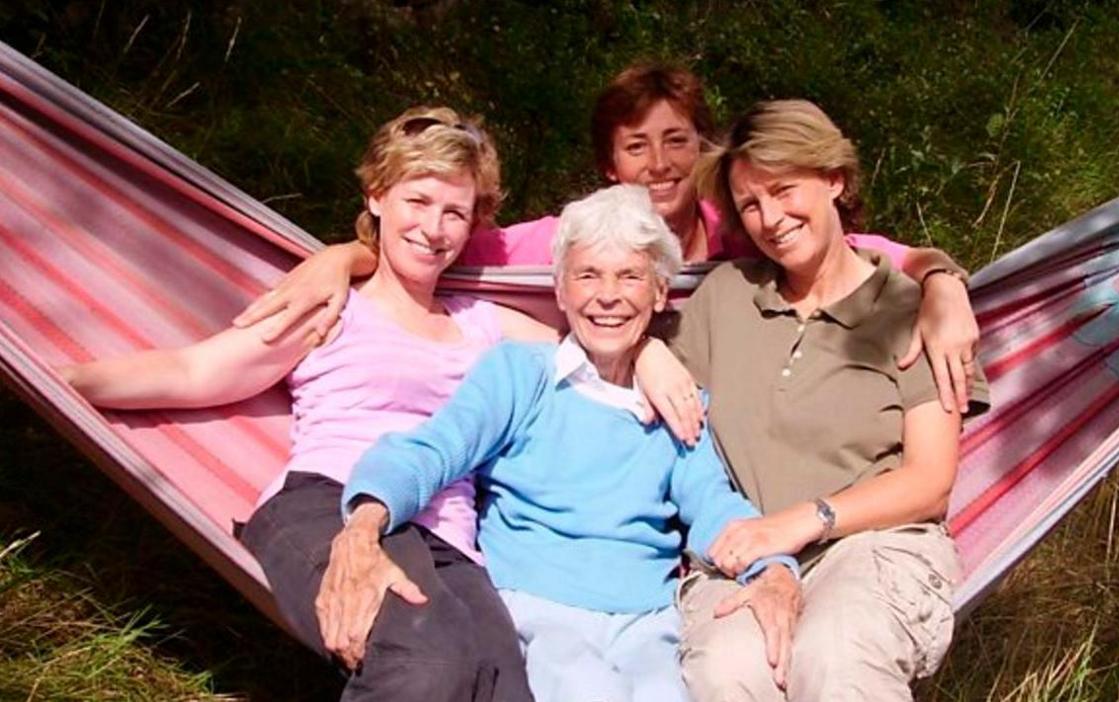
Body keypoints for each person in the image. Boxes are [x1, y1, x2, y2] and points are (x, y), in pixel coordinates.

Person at [58, 107, 691, 702]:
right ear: (376, 198)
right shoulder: (333, 306)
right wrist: (63, 377)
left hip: (451, 540)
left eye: (454, 212)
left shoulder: (487, 326)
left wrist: (653, 355)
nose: (433, 227)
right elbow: (193, 372)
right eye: (417, 200)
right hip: (327, 503)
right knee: (427, 661)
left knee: (502, 684)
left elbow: (594, 337)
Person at [234, 64, 982, 414]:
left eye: (677, 141)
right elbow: (440, 246)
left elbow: (885, 254)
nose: (659, 165)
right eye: (635, 147)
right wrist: (347, 253)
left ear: (705, 150)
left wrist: (944, 285)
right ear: (606, 165)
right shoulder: (571, 238)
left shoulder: (746, 232)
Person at [324, 184, 800, 702]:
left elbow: (712, 503)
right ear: (561, 290)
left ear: (660, 293)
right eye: (588, 275)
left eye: (630, 276)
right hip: (538, 611)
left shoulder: (677, 401)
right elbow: (436, 448)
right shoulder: (522, 375)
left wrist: (772, 565)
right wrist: (366, 519)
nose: (608, 296)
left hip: (650, 621)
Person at [669, 100, 991, 700]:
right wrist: (647, 354)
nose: (770, 218)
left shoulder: (909, 310)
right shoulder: (725, 298)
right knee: (727, 670)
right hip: (744, 546)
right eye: (750, 205)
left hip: (874, 545)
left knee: (837, 657)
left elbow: (931, 482)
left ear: (834, 179)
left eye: (784, 190)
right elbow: (664, 414)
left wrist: (803, 521)